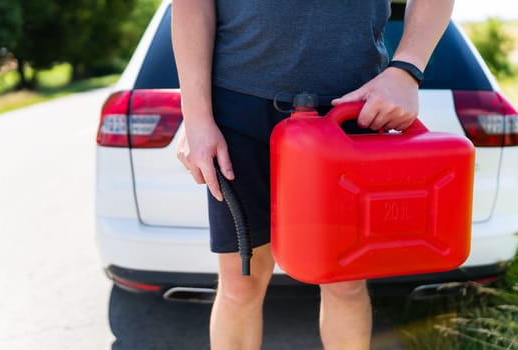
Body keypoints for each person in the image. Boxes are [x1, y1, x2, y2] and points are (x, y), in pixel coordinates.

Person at [172, 1, 455, 349]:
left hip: (352, 107)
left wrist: (407, 69)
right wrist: (197, 116)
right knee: (239, 284)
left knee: (346, 282)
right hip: (238, 110)